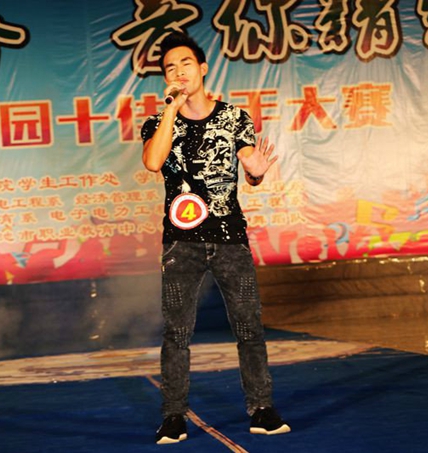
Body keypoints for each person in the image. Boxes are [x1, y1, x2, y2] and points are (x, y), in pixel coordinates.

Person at [141, 31, 290, 445]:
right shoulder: (158, 122)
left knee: (249, 325)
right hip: (180, 242)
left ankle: (261, 408)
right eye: (170, 68)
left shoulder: (234, 117)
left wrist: (256, 173)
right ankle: (173, 416)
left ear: (203, 68)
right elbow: (154, 161)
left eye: (186, 64)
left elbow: (250, 166)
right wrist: (171, 109)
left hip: (230, 238)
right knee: (177, 332)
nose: (179, 72)